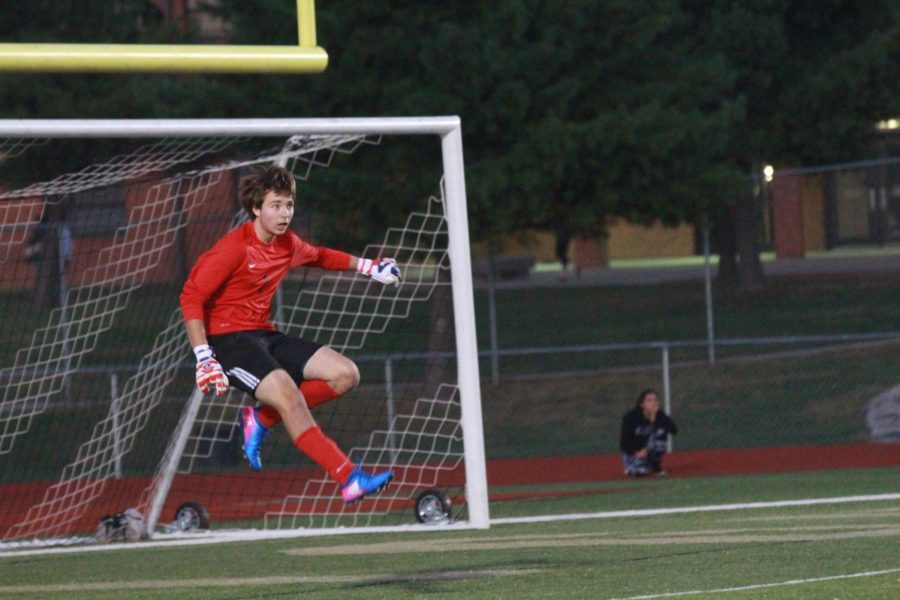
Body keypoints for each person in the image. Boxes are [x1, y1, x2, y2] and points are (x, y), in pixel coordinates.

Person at [179, 166, 401, 504]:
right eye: (276, 205)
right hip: (228, 343)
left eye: (289, 205)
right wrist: (204, 356)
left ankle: (261, 416)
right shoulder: (233, 248)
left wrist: (368, 267)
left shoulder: (286, 244)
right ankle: (348, 478)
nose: (284, 214)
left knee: (345, 374)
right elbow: (191, 296)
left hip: (263, 335)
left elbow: (320, 256)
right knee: (291, 398)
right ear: (256, 208)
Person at [619, 388, 678, 477]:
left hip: (649, 449)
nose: (653, 403)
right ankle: (633, 467)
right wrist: (636, 452)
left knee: (660, 439)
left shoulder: (660, 415)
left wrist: (655, 418)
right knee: (640, 473)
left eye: (655, 400)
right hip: (634, 452)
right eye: (649, 400)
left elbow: (674, 430)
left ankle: (656, 467)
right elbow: (625, 440)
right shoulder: (631, 417)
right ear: (642, 404)